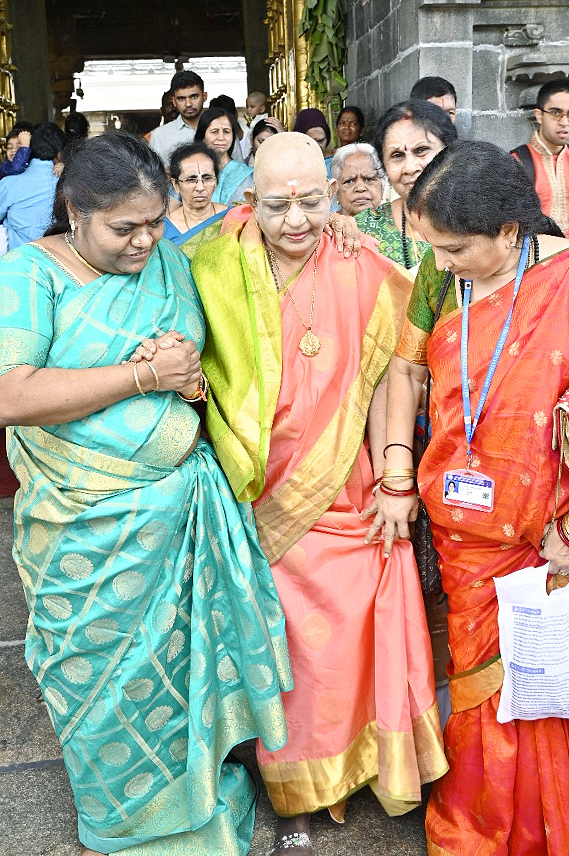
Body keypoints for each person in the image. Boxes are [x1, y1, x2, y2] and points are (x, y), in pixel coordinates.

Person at [0, 130, 292, 856]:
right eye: (123, 227)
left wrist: (184, 371)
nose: (144, 240)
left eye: (155, 221)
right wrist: (140, 377)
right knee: (100, 682)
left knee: (183, 673)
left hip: (180, 516)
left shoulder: (172, 262)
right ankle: (123, 818)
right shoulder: (29, 276)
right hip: (82, 530)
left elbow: (204, 369)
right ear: (75, 213)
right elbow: (11, 393)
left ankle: (194, 794)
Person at [185, 132, 447, 856]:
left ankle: (362, 767)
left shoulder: (360, 260)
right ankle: (292, 787)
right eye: (277, 206)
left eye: (310, 201)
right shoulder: (212, 262)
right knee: (283, 643)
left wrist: (396, 476)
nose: (295, 220)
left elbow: (400, 368)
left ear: (333, 197)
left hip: (346, 484)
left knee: (366, 611)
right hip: (253, 494)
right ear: (248, 202)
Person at [369, 139, 569, 855]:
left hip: (556, 537)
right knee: (475, 698)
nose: (439, 264)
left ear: (510, 231)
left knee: (555, 677)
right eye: (432, 247)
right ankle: (477, 826)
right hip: (463, 539)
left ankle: (558, 828)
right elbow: (402, 376)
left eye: (454, 248)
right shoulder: (441, 283)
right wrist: (398, 473)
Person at [355, 100, 457, 272]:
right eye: (397, 155)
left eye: (422, 150)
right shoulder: (364, 229)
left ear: (450, 152)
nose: (410, 167)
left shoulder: (479, 223)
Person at [511, 78, 569, 241]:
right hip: (531, 261)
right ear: (539, 115)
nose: (564, 122)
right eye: (556, 112)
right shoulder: (516, 162)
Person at [0, 121, 65, 249]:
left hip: (17, 262)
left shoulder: (9, 183)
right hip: (57, 260)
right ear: (59, 153)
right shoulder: (65, 182)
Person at [164, 141, 228, 255]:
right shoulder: (164, 229)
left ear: (216, 181)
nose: (200, 187)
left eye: (207, 178)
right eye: (191, 179)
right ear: (175, 184)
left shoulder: (232, 219)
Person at [195, 107, 253, 206]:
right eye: (214, 131)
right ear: (202, 136)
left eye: (226, 131)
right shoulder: (189, 171)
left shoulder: (247, 175)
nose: (221, 137)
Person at [149, 70, 207, 167]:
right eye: (181, 98)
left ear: (204, 97)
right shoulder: (159, 136)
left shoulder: (221, 131)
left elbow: (238, 170)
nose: (188, 104)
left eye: (194, 97)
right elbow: (153, 176)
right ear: (174, 101)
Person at [329, 142, 383, 216]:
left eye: (368, 179)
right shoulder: (325, 226)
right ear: (336, 191)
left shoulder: (398, 223)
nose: (360, 188)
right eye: (349, 181)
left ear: (382, 186)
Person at [293, 108, 334, 176]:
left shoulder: (336, 164)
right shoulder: (290, 164)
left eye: (321, 141)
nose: (316, 146)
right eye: (310, 142)